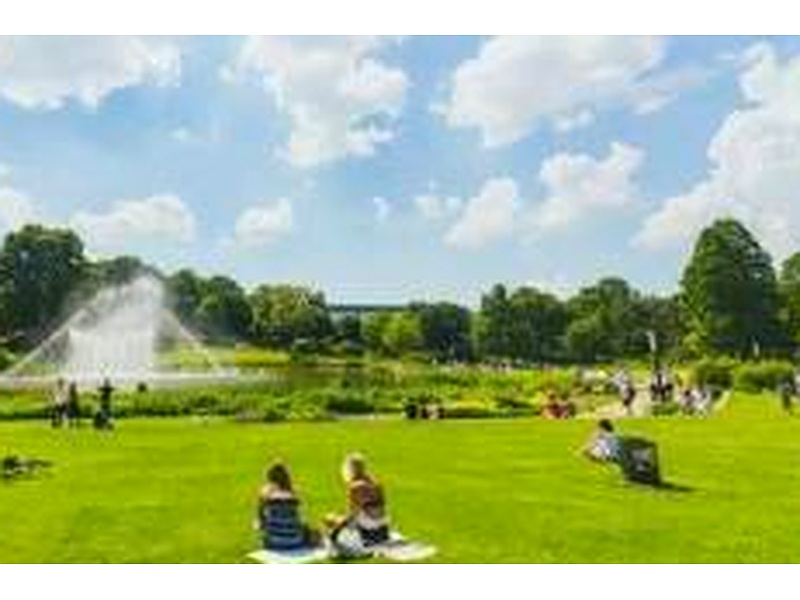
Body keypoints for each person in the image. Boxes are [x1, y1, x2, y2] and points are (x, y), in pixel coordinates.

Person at [326, 453, 391, 551]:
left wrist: (335, 531)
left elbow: (351, 516)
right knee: (336, 518)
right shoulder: (377, 484)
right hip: (383, 533)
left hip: (368, 537)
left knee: (329, 519)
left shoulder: (354, 487)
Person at [256, 462, 319, 551]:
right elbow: (300, 519)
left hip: (273, 543)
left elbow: (261, 520)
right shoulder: (294, 495)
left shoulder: (265, 493)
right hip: (296, 541)